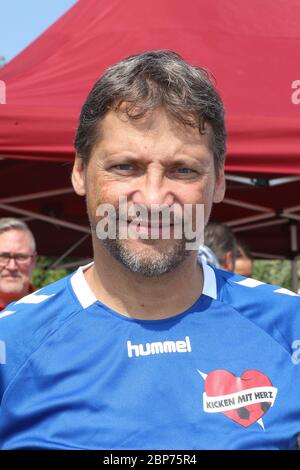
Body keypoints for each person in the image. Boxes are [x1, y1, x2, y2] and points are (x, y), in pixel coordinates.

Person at [0, 50, 300, 450]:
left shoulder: (289, 328)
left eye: (183, 170)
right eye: (126, 166)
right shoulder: (11, 345)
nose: (155, 199)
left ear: (220, 182)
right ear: (79, 172)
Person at [0, 218, 36, 311]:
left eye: (21, 257)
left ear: (33, 260)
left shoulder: (50, 312)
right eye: (4, 256)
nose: (12, 267)